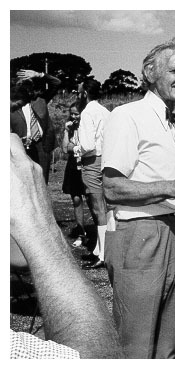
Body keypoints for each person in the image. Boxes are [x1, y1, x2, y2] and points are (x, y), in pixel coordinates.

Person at [102, 38, 175, 359]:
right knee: (136, 342)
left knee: (166, 344)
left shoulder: (171, 123)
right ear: (149, 73)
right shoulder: (127, 116)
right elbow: (112, 188)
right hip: (140, 235)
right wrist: (173, 187)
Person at [10, 133, 124, 359]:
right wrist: (41, 225)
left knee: (96, 207)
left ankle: (100, 249)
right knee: (81, 201)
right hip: (80, 163)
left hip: (88, 163)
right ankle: (96, 245)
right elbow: (97, 356)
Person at [74, 79, 110, 269]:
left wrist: (75, 149)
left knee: (98, 209)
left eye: (79, 93)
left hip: (92, 161)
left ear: (85, 94)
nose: (78, 96)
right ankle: (99, 249)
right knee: (103, 208)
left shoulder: (88, 113)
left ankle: (103, 255)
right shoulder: (105, 112)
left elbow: (87, 145)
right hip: (106, 160)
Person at [10, 69, 61, 183]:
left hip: (41, 146)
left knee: (42, 182)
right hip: (20, 147)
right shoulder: (12, 103)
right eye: (22, 82)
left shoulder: (40, 99)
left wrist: (39, 75)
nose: (26, 84)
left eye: (29, 81)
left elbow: (57, 83)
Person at [61, 102, 89, 247]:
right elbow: (65, 149)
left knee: (91, 199)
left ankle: (98, 231)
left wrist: (75, 147)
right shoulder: (70, 129)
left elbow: (86, 147)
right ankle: (81, 232)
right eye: (71, 113)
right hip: (73, 164)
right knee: (76, 199)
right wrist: (66, 131)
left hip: (86, 163)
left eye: (76, 113)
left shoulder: (87, 127)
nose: (73, 116)